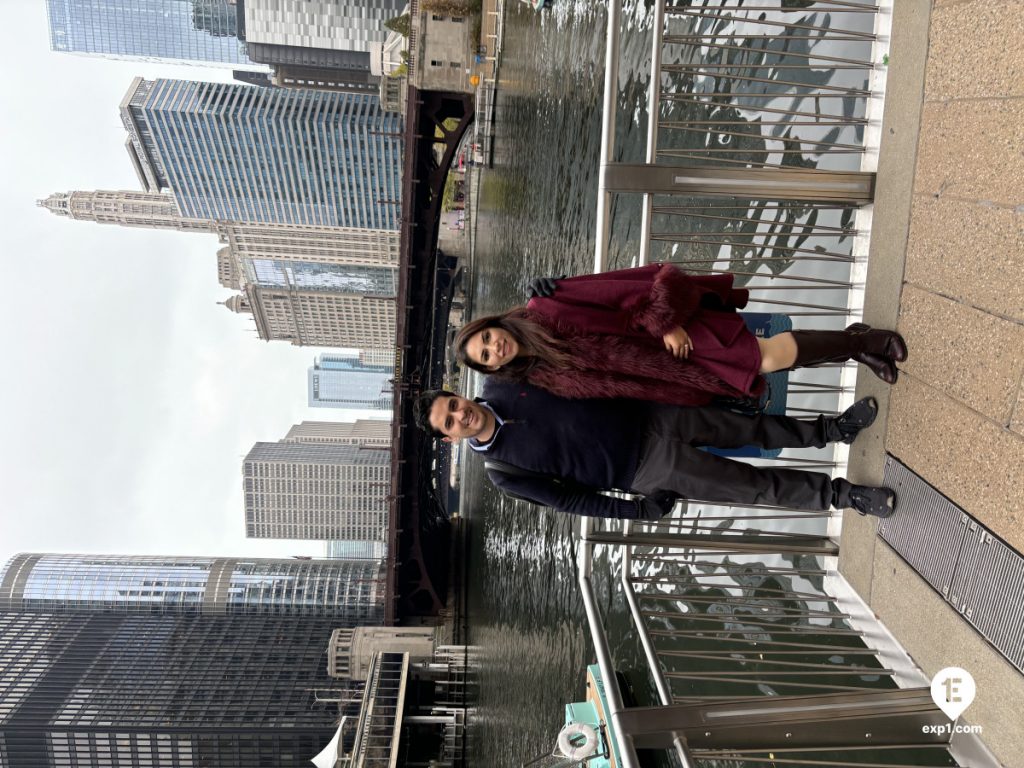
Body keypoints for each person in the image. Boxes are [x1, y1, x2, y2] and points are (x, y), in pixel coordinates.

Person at [413, 380, 896, 520]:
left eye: (452, 406)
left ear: (456, 392)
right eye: (450, 424)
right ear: (451, 440)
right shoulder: (501, 471)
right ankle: (844, 496)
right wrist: (638, 512)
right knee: (749, 486)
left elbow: (567, 356)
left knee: (754, 427)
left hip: (653, 413)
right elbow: (570, 500)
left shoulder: (506, 381)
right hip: (644, 467)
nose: (460, 416)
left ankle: (833, 430)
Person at [454, 263, 907, 407]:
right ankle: (855, 346)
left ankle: (860, 343)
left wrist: (666, 321)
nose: (495, 348)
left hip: (674, 333)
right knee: (762, 363)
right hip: (671, 367)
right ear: (494, 368)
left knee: (764, 358)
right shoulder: (539, 374)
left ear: (494, 325)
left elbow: (622, 290)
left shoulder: (544, 307)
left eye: (488, 339)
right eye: (487, 356)